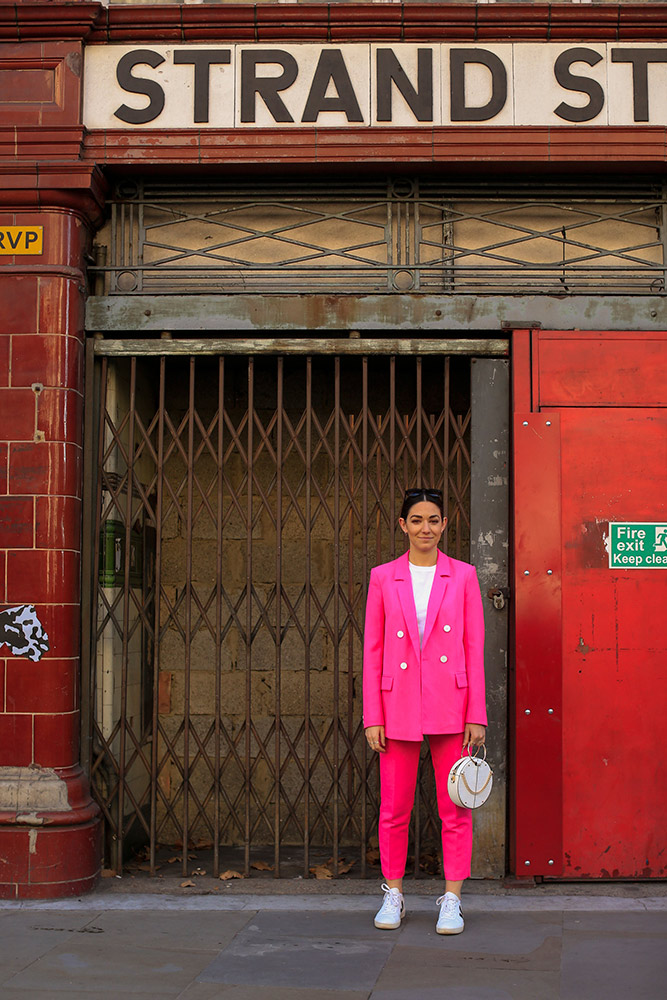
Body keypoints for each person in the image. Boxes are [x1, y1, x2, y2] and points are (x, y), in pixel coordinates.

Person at [363, 487, 487, 935]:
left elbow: (474, 646)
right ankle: (393, 894)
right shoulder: (383, 577)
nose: (425, 528)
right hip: (396, 706)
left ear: (445, 525)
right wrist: (372, 715)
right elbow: (372, 649)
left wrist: (478, 714)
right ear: (403, 525)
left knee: (455, 807)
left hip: (451, 705)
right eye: (416, 520)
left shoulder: (464, 576)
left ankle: (452, 899)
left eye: (433, 520)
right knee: (394, 808)